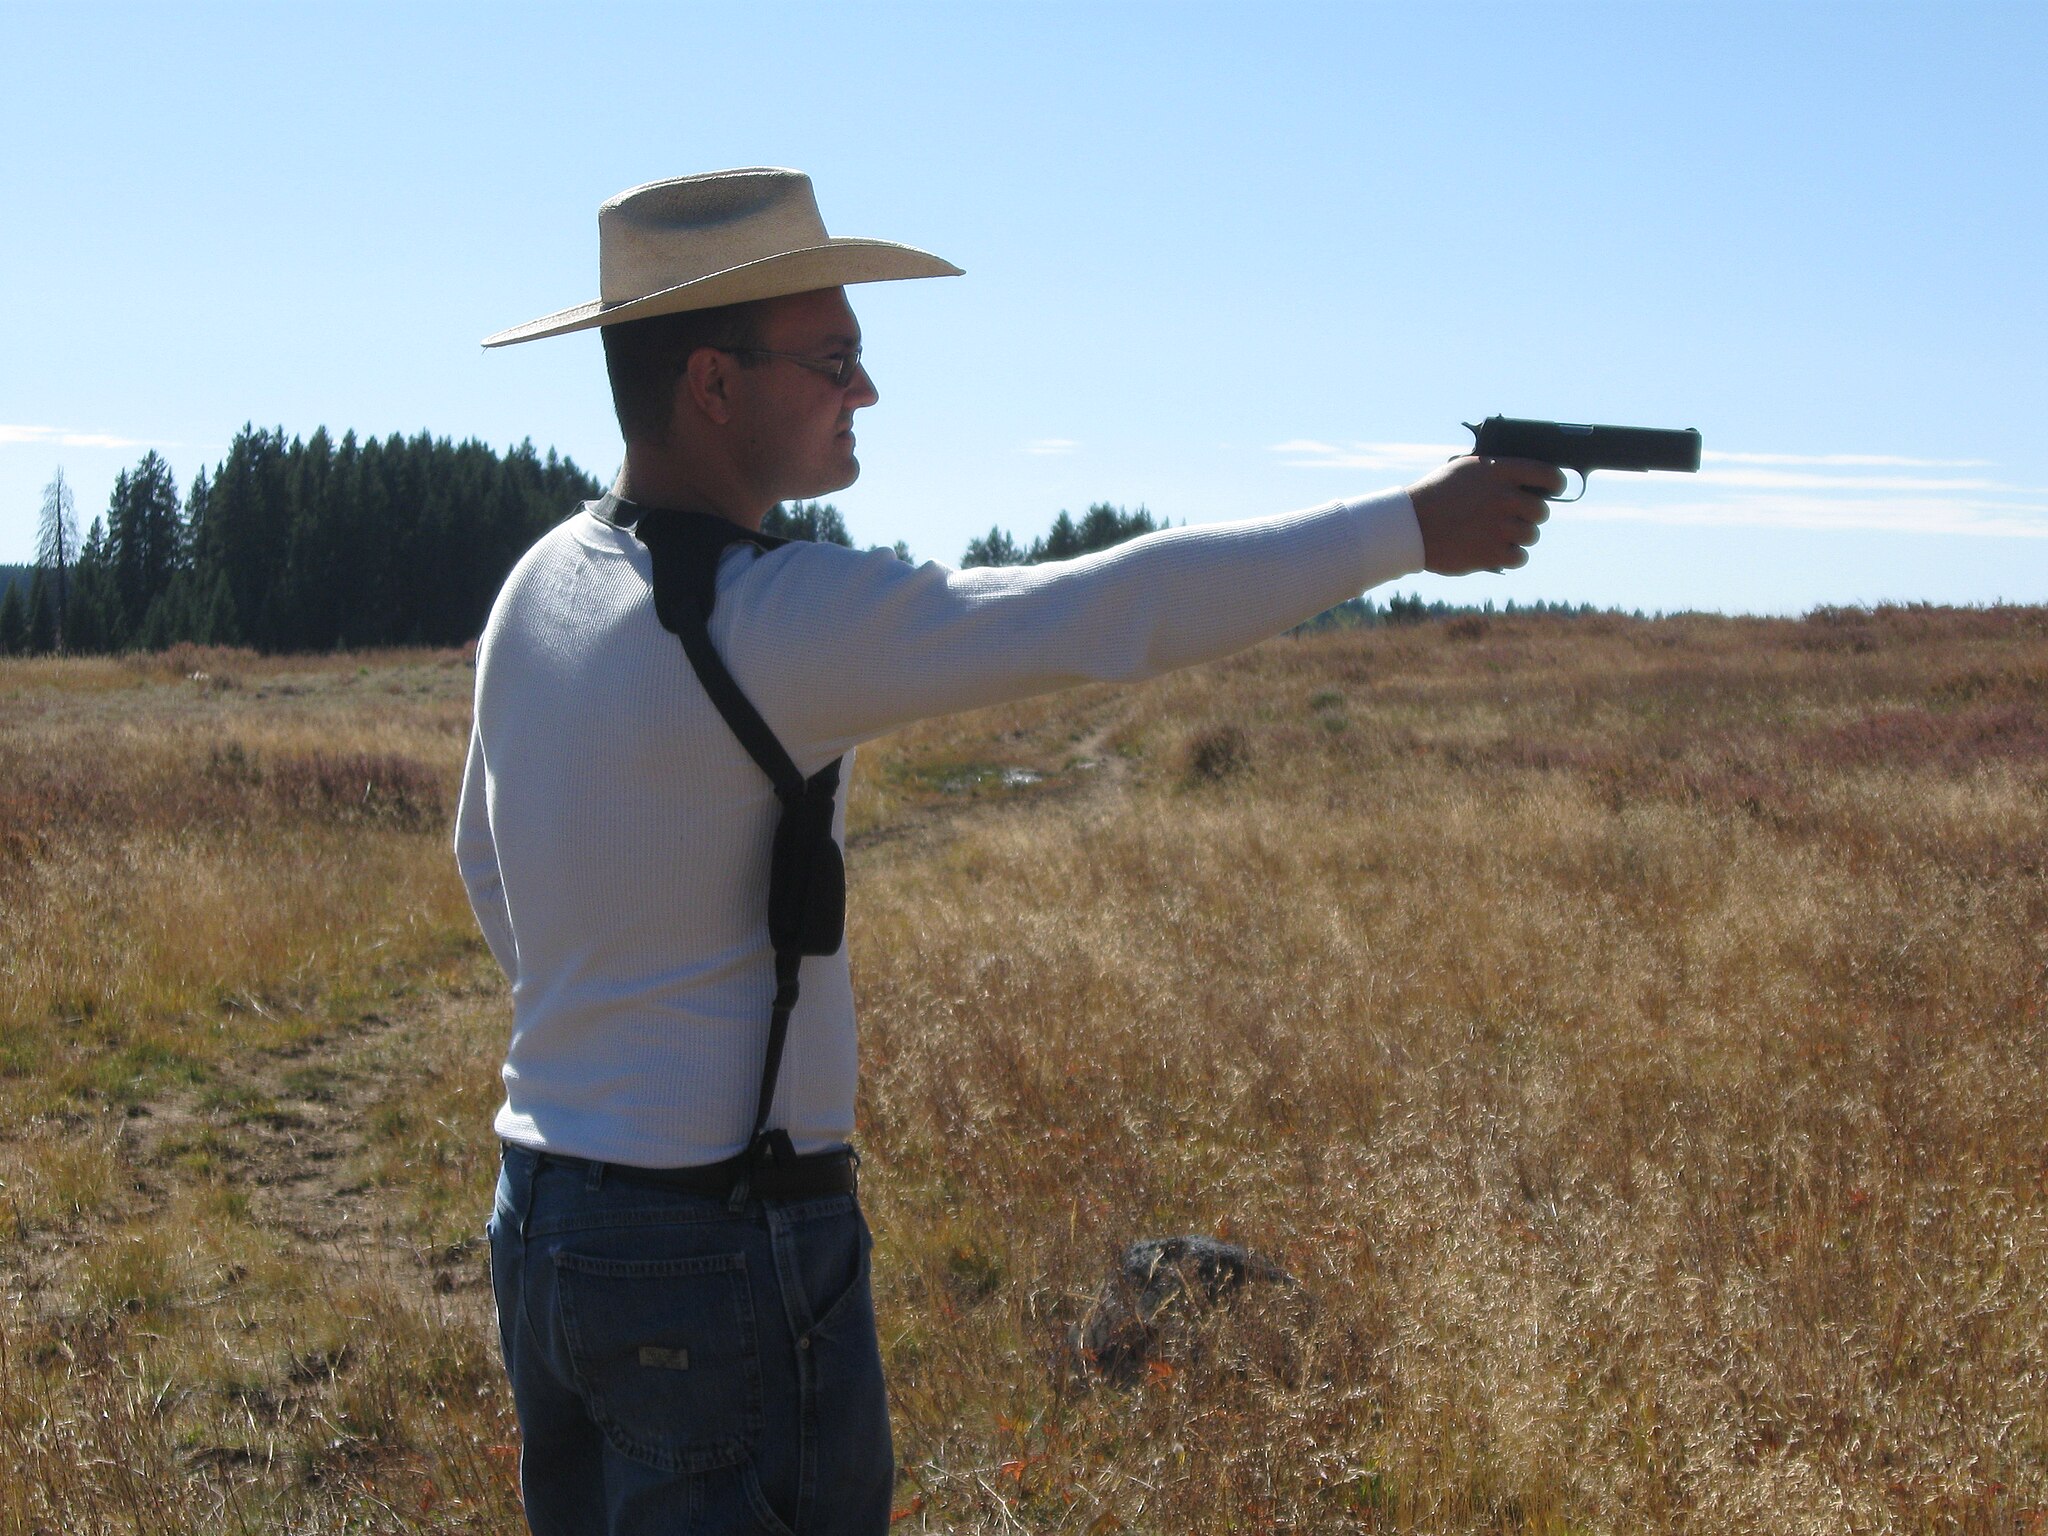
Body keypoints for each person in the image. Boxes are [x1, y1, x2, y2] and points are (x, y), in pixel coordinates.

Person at [458, 167, 1558, 1536]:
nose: (867, 392)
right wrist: (1408, 529)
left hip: (545, 1209)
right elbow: (1112, 607)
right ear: (713, 387)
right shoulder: (780, 616)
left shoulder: (539, 583)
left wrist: (611, 1048)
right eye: (836, 358)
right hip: (718, 1243)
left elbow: (484, 863)